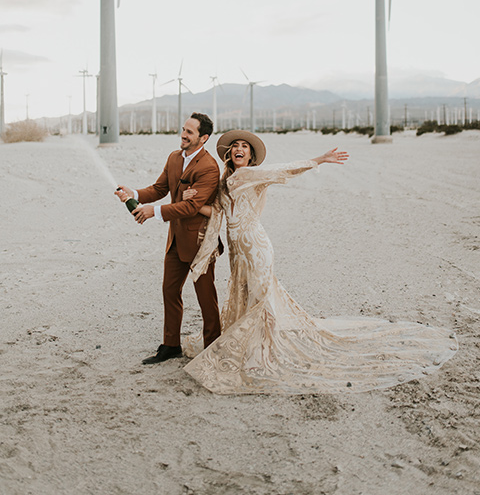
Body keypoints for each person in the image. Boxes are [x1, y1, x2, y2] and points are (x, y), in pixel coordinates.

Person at [181, 130, 457, 395]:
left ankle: (261, 352)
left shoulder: (254, 174)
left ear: (251, 156)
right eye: (236, 146)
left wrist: (319, 160)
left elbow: (285, 169)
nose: (240, 149)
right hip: (236, 252)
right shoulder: (225, 180)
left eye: (245, 147)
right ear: (229, 153)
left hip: (256, 248)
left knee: (260, 299)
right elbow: (218, 212)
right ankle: (252, 345)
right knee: (245, 296)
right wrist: (191, 202)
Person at [115, 113, 221, 364]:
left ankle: (215, 349)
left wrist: (155, 212)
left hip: (200, 242)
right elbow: (160, 189)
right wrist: (135, 194)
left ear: (203, 138)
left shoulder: (209, 167)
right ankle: (170, 345)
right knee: (169, 291)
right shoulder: (174, 158)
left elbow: (192, 207)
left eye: (190, 132)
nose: (183, 134)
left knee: (206, 297)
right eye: (183, 129)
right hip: (176, 239)